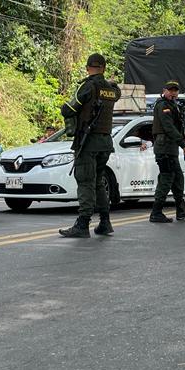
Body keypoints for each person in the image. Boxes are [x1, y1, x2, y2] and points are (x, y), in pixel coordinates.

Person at [58, 53, 121, 238]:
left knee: (85, 182)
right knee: (98, 182)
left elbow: (68, 109)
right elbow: (117, 92)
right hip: (105, 143)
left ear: (87, 68)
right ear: (104, 68)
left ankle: (83, 224)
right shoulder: (111, 90)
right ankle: (105, 221)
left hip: (88, 142)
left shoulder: (87, 86)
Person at [149, 80, 185, 223]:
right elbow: (168, 127)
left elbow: (174, 127)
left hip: (170, 149)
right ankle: (156, 212)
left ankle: (181, 210)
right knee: (166, 179)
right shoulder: (163, 106)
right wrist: (184, 144)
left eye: (175, 90)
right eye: (170, 90)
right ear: (164, 91)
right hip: (165, 149)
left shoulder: (172, 105)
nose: (173, 93)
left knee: (177, 179)